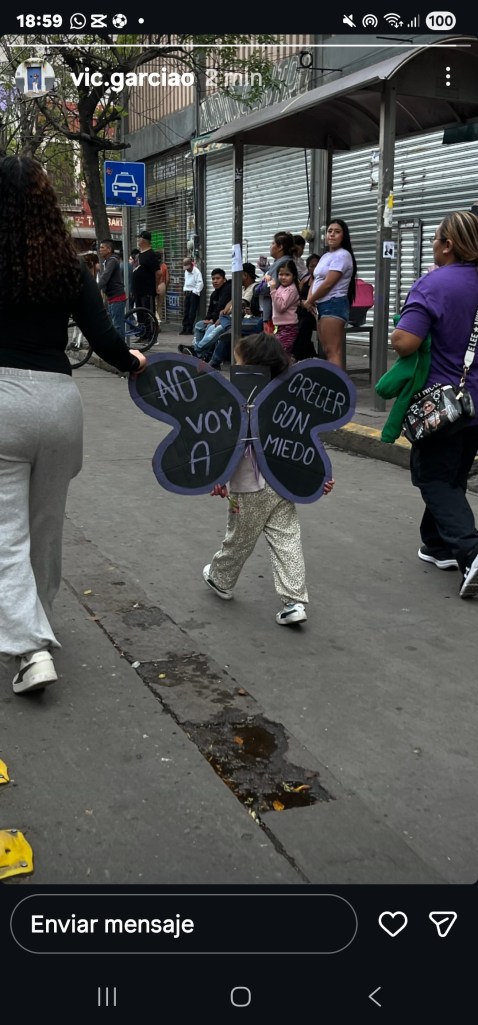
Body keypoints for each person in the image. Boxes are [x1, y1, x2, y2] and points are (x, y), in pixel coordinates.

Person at [0, 155, 147, 696]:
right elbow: (106, 341)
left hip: (2, 405)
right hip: (60, 404)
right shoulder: (65, 263)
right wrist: (135, 361)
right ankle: (37, 621)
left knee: (4, 534)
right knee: (46, 527)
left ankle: (30, 648)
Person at [202, 332, 334, 625]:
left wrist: (218, 477)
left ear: (249, 367)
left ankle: (220, 578)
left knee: (239, 538)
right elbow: (305, 442)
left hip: (249, 487)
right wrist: (319, 476)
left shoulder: (240, 402)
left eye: (238, 362)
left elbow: (229, 444)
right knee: (287, 540)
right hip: (283, 484)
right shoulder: (288, 399)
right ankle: (294, 602)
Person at [390, 210, 478, 596]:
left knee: (433, 476)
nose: (433, 245)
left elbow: (404, 341)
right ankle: (438, 544)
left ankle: (473, 553)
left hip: (444, 404)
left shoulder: (435, 284)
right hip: (476, 403)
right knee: (453, 473)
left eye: (436, 239)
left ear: (448, 244)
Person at [305, 218, 357, 368]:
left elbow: (328, 284)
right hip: (322, 305)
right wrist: (311, 298)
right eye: (330, 231)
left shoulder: (343, 255)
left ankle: (338, 387)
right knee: (327, 350)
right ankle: (332, 386)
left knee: (333, 351)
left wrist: (310, 300)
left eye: (337, 232)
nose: (332, 235)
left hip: (333, 304)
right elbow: (316, 279)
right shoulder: (326, 256)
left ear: (343, 236)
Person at [207, 263, 263, 370]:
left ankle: (212, 359)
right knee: (222, 318)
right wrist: (227, 309)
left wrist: (230, 308)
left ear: (245, 275)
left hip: (252, 321)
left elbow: (238, 305)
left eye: (239, 275)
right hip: (239, 320)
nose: (236, 279)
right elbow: (230, 304)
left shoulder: (253, 288)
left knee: (226, 332)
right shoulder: (241, 289)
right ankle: (230, 329)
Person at [178, 268, 231, 358]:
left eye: (218, 278)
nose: (215, 281)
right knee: (199, 325)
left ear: (224, 279)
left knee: (210, 327)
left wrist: (212, 320)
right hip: (216, 319)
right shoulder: (214, 294)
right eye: (213, 279)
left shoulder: (227, 289)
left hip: (224, 320)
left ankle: (196, 350)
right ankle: (201, 354)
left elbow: (221, 306)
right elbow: (210, 309)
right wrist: (207, 319)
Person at [255, 231, 296, 331]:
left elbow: (273, 284)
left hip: (274, 315)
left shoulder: (284, 263)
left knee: (272, 344)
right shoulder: (279, 262)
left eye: (273, 243)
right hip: (271, 313)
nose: (270, 246)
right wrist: (265, 269)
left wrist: (256, 289)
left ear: (280, 247)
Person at [294, 253, 322, 360]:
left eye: (317, 265)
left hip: (315, 314)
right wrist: (303, 303)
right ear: (307, 267)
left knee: (303, 326)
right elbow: (297, 298)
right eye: (312, 266)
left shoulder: (322, 281)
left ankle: (304, 355)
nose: (314, 268)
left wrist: (310, 304)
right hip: (302, 311)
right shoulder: (305, 280)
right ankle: (308, 353)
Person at [269, 259, 300, 355]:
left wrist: (273, 289)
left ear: (294, 276)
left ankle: (288, 369)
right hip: (279, 326)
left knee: (282, 353)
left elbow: (280, 307)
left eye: (287, 275)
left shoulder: (291, 290)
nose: (283, 277)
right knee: (280, 353)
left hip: (288, 327)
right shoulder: (282, 287)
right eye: (281, 274)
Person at [98, 239, 127, 340]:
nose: (100, 250)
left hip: (117, 297)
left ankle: (122, 351)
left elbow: (105, 277)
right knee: (113, 326)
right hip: (111, 298)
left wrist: (96, 288)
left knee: (118, 327)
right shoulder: (107, 261)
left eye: (102, 247)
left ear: (109, 249)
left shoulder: (112, 261)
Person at [132, 229, 161, 319]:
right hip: (137, 290)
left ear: (143, 240)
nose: (138, 240)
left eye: (139, 238)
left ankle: (150, 331)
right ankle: (142, 331)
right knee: (139, 314)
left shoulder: (151, 254)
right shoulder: (139, 255)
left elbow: (158, 272)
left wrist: (156, 287)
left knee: (147, 314)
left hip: (147, 291)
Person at [180, 256, 204, 334]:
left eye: (187, 267)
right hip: (187, 292)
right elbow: (186, 281)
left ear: (191, 264)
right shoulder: (186, 272)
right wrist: (184, 290)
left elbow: (200, 283)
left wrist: (195, 292)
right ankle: (185, 327)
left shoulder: (196, 272)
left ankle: (189, 329)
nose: (187, 269)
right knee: (186, 311)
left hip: (194, 293)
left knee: (192, 312)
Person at [155, 249, 169, 329]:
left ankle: (156, 322)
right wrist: (165, 286)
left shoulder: (153, 265)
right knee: (159, 306)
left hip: (155, 285)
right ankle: (159, 323)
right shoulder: (164, 266)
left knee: (153, 305)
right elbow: (167, 279)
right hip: (162, 284)